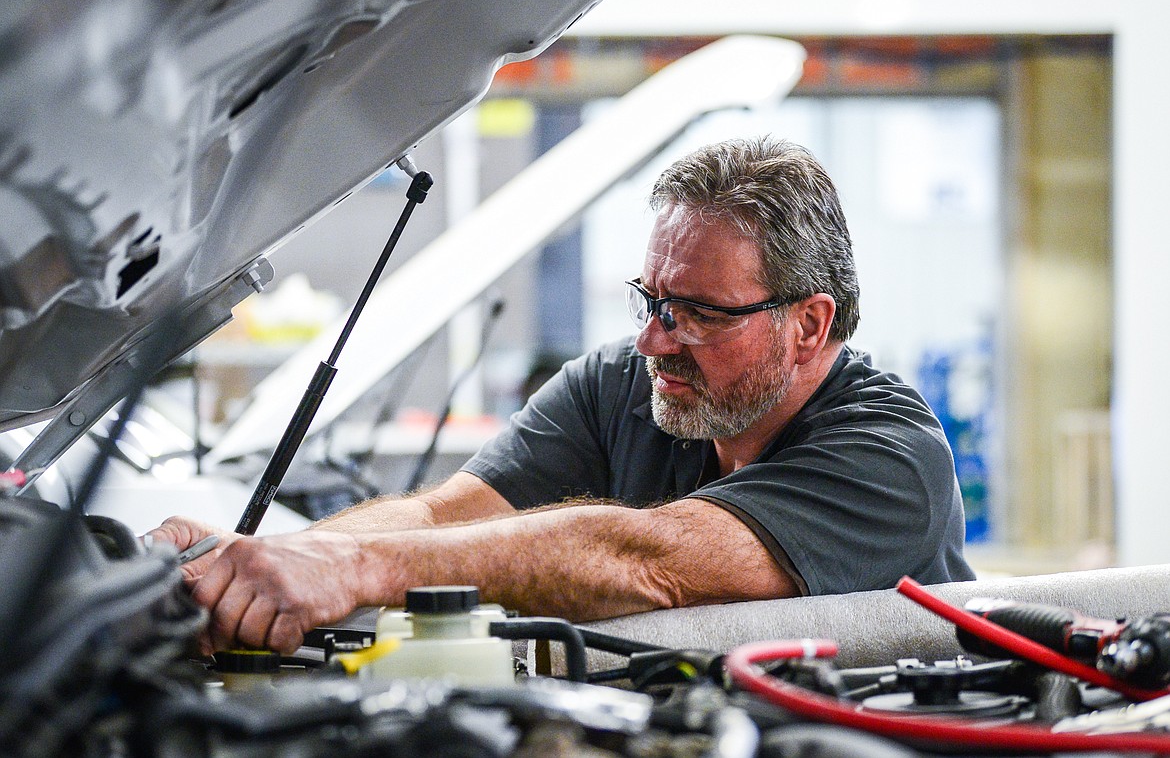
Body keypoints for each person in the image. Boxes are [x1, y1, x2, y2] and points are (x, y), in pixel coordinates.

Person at [153, 136, 975, 655]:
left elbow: (646, 560)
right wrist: (261, 563)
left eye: (698, 314)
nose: (656, 339)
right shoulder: (622, 384)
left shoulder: (892, 457)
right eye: (651, 300)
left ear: (808, 323)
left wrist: (352, 567)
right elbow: (445, 517)